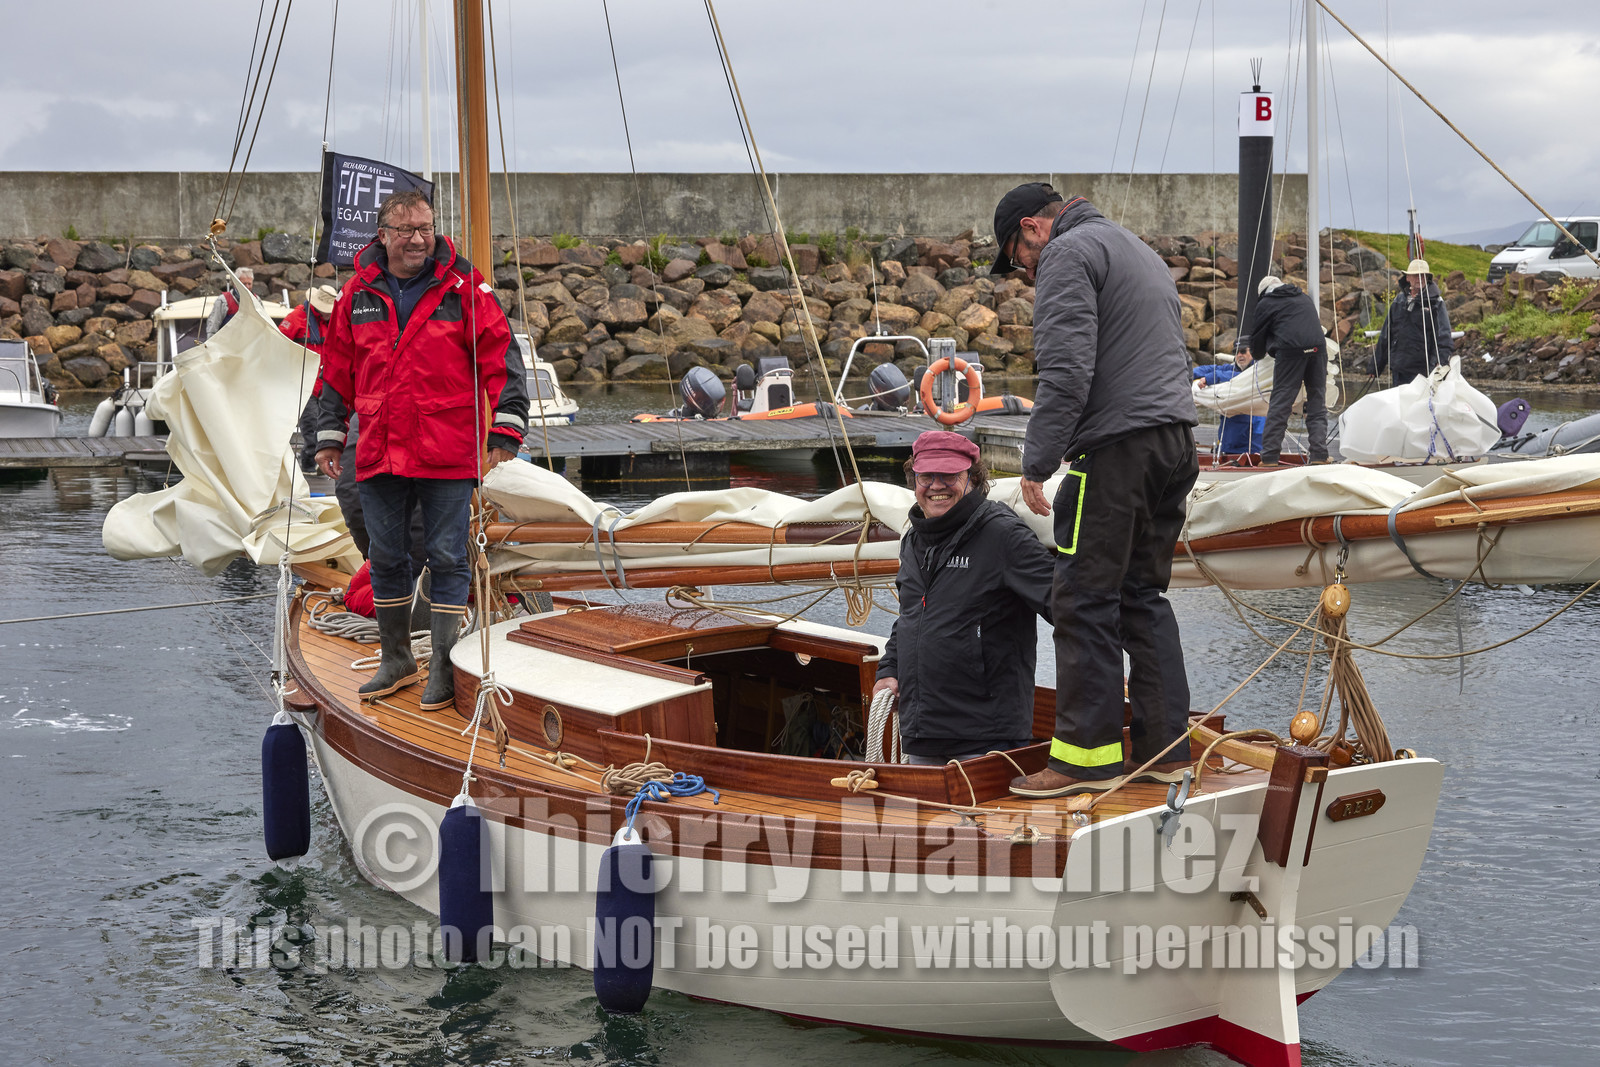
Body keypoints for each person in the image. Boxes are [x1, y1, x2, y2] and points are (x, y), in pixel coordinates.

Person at [987, 182, 1199, 797]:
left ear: (1032, 228)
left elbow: (1066, 369)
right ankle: (1166, 750)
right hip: (1175, 444)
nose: (1023, 273)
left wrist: (1037, 462)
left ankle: (1084, 760)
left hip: (1115, 453)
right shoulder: (1136, 249)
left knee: (1082, 600)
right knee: (1143, 596)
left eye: (1015, 257)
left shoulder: (1067, 254)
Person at [314, 189, 529, 710]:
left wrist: (505, 430)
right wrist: (329, 434)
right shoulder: (356, 294)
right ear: (383, 235)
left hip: (446, 449)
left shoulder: (464, 288)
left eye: (425, 229)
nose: (418, 239)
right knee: (387, 558)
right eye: (406, 230)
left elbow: (500, 355)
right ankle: (396, 660)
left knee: (448, 558)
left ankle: (443, 665)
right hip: (381, 449)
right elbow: (336, 370)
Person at [871, 431, 1054, 764]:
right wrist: (889, 668)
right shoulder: (913, 540)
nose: (937, 485)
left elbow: (1066, 606)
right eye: (927, 476)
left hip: (985, 735)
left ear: (972, 478)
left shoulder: (1003, 535)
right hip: (922, 734)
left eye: (950, 475)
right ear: (914, 479)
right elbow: (913, 617)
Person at [1237, 274, 1329, 464]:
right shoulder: (1303, 297)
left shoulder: (1266, 303)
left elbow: (1257, 341)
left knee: (1280, 404)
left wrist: (1263, 352)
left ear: (1263, 293)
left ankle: (1269, 457)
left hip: (1291, 352)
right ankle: (1320, 455)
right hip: (1318, 349)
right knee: (1317, 402)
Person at [1371, 258, 1453, 388]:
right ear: (1408, 277)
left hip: (1424, 371)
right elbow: (1386, 335)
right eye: (1416, 275)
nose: (1420, 278)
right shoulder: (1399, 300)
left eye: (1423, 275)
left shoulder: (1436, 302)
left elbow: (1444, 337)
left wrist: (1438, 366)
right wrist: (1375, 368)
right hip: (1399, 368)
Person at [284, 284, 339, 473]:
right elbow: (278, 344)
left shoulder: (331, 321)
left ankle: (309, 464)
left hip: (325, 385)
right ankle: (308, 464)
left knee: (325, 429)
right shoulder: (295, 319)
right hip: (302, 384)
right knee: (312, 429)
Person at [205, 266, 255, 338]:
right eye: (244, 284)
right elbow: (212, 328)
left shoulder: (257, 301)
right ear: (235, 284)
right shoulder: (223, 301)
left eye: (249, 284)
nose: (247, 287)